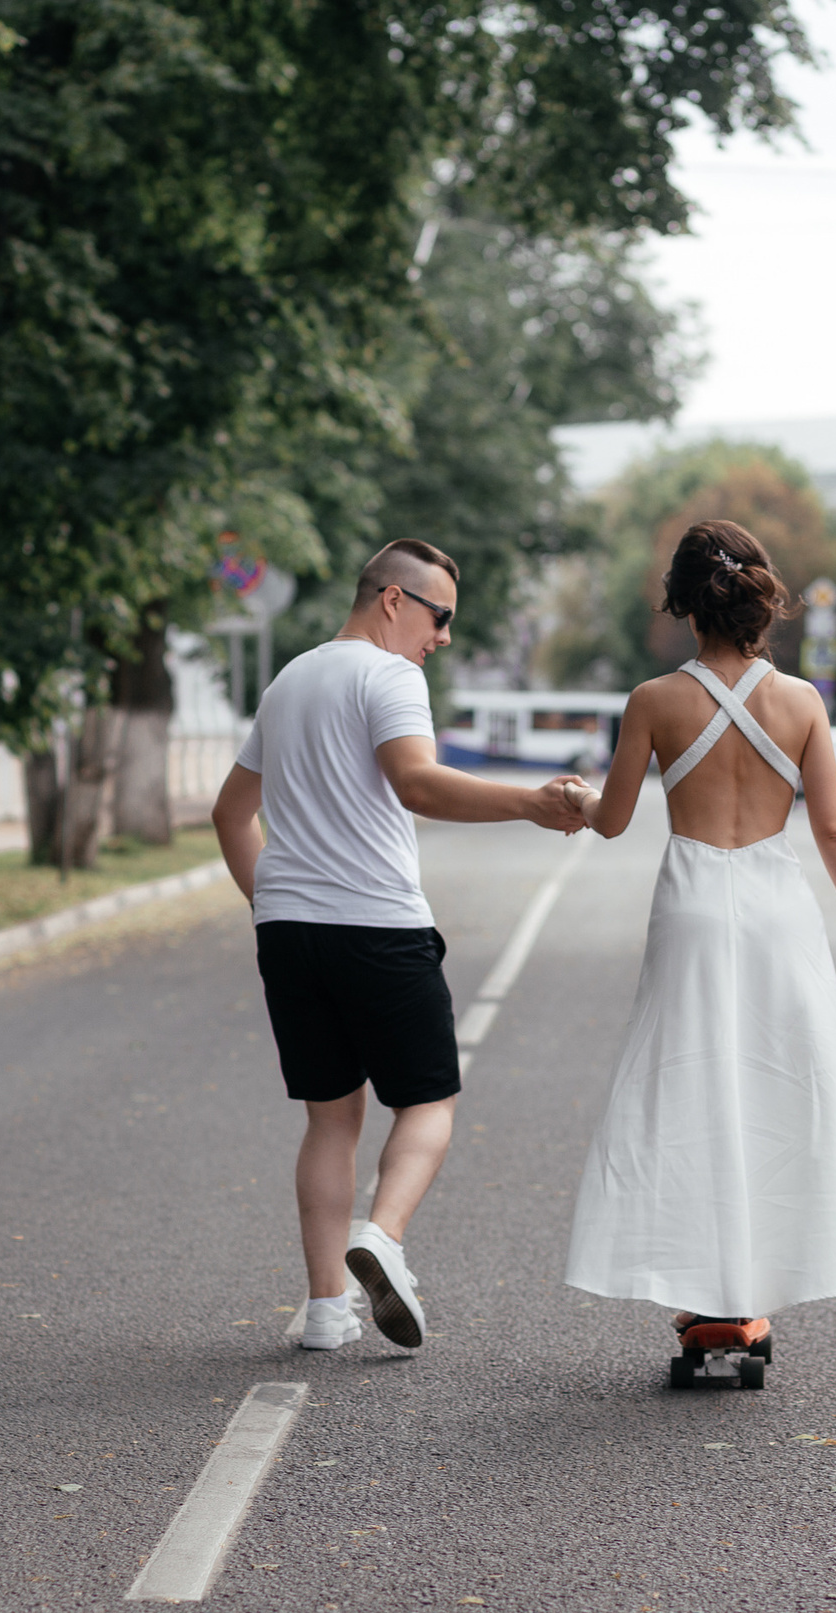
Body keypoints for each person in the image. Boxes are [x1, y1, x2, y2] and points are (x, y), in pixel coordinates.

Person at [212, 539, 587, 1353]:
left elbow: (229, 812)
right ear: (393, 599)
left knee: (330, 1118)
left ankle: (323, 1313)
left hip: (291, 935)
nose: (442, 637)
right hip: (377, 925)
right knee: (428, 1101)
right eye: (439, 615)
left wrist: (271, 902)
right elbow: (416, 781)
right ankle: (382, 1237)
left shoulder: (289, 680)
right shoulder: (390, 676)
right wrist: (529, 803)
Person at [557, 521, 836, 1371]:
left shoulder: (655, 701)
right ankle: (753, 1298)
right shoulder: (804, 703)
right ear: (760, 602)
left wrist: (575, 798)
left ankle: (704, 1298)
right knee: (777, 1090)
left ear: (683, 605)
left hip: (694, 906)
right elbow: (834, 829)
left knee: (690, 1087)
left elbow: (616, 819)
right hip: (778, 907)